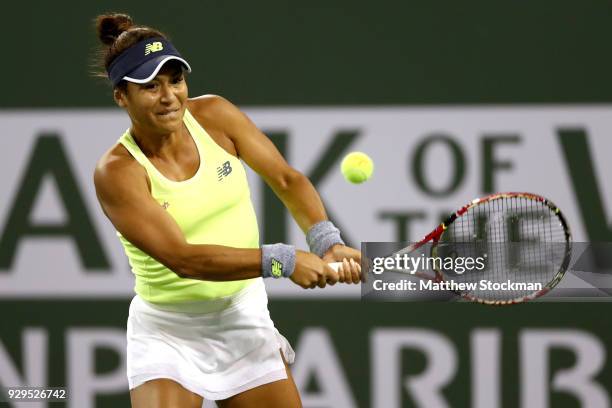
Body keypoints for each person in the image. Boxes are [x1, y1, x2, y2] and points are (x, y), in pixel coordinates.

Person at [92, 13, 362, 408]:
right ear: (122, 97)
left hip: (241, 317)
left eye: (176, 81)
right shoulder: (117, 173)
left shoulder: (215, 115)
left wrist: (327, 241)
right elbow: (184, 260)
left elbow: (285, 179)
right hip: (168, 332)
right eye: (150, 86)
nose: (169, 97)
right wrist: (281, 261)